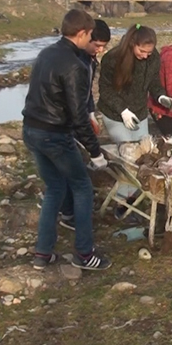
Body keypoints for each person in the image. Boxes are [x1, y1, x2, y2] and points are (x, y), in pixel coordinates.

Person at [23, 9, 112, 272]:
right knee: (82, 187)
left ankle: (43, 252)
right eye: (90, 36)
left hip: (31, 129)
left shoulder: (46, 53)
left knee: (54, 188)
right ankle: (84, 254)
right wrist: (96, 152)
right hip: (54, 134)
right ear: (83, 33)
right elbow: (77, 115)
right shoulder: (75, 65)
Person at [52, 20, 112, 230]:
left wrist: (91, 112)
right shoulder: (75, 62)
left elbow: (85, 93)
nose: (100, 50)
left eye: (104, 46)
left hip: (76, 118)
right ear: (85, 38)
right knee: (72, 172)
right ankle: (71, 215)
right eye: (97, 44)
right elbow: (72, 99)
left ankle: (67, 209)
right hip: (65, 124)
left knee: (73, 169)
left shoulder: (90, 60)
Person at [98, 24, 172, 142]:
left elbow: (154, 80)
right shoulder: (112, 58)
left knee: (143, 150)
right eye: (142, 51)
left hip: (140, 112)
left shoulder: (153, 57)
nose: (145, 56)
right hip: (114, 114)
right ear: (132, 43)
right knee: (126, 149)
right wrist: (123, 111)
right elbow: (105, 90)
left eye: (148, 53)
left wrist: (161, 96)